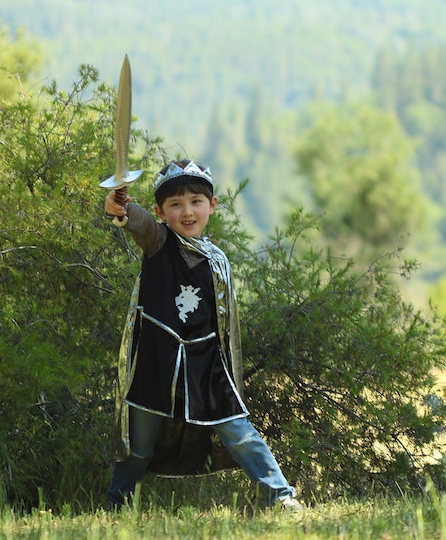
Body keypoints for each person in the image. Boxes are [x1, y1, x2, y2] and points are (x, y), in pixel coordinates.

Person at [104, 159, 303, 512]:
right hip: (156, 361)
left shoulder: (217, 260)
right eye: (175, 204)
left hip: (206, 364)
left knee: (240, 433)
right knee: (139, 446)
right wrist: (121, 209)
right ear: (161, 211)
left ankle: (279, 495)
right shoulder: (158, 241)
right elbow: (138, 224)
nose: (187, 211)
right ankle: (118, 506)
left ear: (212, 205)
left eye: (196, 201)